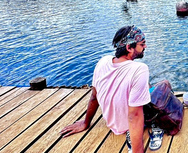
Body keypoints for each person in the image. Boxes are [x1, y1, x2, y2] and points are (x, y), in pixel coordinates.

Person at [60, 25, 150, 153]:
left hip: (112, 124)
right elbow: (134, 116)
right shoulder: (139, 69)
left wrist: (86, 122)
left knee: (146, 86)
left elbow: (94, 96)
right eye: (142, 44)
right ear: (129, 48)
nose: (145, 47)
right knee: (164, 85)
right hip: (129, 125)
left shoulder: (103, 61)